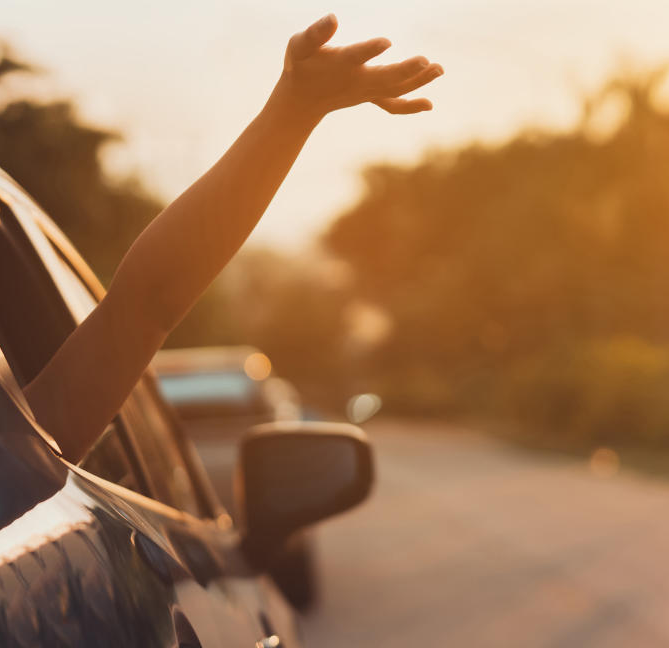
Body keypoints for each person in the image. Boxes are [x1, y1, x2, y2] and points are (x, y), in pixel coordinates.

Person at [22, 14, 443, 461]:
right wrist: (296, 110)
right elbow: (145, 304)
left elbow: (147, 303)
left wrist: (296, 110)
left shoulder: (19, 454)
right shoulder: (19, 459)